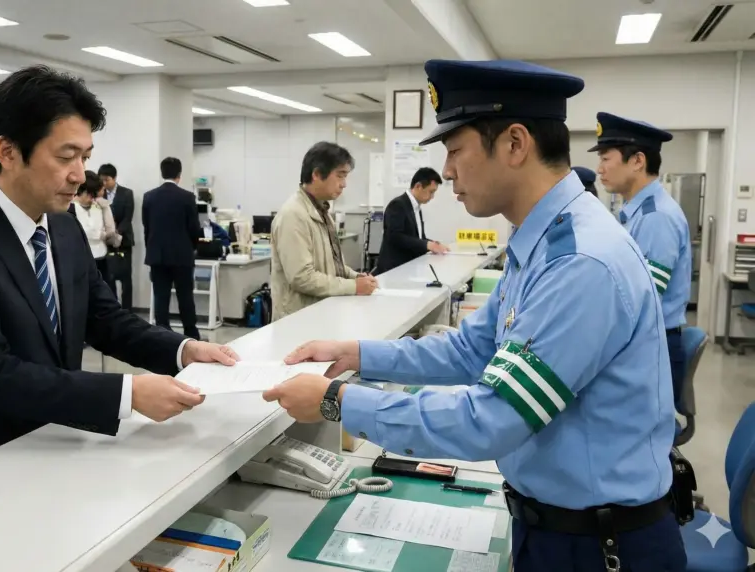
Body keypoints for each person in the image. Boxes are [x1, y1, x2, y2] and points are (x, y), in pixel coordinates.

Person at [263, 60, 684, 571]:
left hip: (599, 547)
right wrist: (355, 354)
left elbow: (491, 420)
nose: (446, 170)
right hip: (561, 526)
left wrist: (336, 402)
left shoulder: (579, 262)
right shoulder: (544, 241)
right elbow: (473, 348)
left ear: (513, 144)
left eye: (455, 149)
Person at [0, 65, 238, 480]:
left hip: (57, 446)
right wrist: (128, 393)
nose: (80, 175)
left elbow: (104, 319)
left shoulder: (63, 226)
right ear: (8, 151)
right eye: (66, 157)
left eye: (85, 157)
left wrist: (182, 351)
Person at [591, 112, 692, 404]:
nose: (599, 169)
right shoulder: (635, 214)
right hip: (642, 344)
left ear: (637, 161)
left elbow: (641, 301)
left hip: (650, 349)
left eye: (606, 158)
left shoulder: (655, 218)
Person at [270, 141, 377, 321]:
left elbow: (331, 265)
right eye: (340, 176)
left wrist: (356, 277)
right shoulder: (294, 215)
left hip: (321, 313)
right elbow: (302, 277)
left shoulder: (321, 210)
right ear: (317, 174)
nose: (344, 184)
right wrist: (354, 286)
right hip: (298, 320)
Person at [142, 157, 203, 340]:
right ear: (179, 175)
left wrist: (151, 249)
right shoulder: (187, 197)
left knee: (161, 297)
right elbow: (194, 229)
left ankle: (163, 334)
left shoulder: (149, 196)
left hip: (157, 255)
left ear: (162, 173)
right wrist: (192, 247)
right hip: (182, 255)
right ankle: (191, 334)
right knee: (185, 296)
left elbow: (147, 227)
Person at [375, 167, 449, 275]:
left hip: (409, 267)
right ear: (418, 186)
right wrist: (427, 245)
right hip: (394, 269)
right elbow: (395, 236)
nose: (432, 197)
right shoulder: (398, 205)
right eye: (431, 192)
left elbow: (417, 238)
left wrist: (433, 244)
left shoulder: (416, 207)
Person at [98, 163, 135, 310]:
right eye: (102, 180)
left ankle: (128, 309)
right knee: (109, 277)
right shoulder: (100, 195)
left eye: (107, 180)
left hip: (124, 241)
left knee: (126, 278)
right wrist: (109, 235)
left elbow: (128, 217)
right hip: (107, 241)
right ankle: (113, 308)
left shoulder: (126, 193)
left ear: (114, 178)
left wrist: (117, 234)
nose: (104, 183)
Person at [70, 170, 118, 278]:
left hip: (101, 256)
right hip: (80, 260)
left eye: (94, 196)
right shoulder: (70, 208)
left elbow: (109, 229)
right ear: (81, 190)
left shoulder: (98, 206)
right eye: (90, 195)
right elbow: (81, 233)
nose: (92, 199)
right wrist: (100, 234)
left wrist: (106, 208)